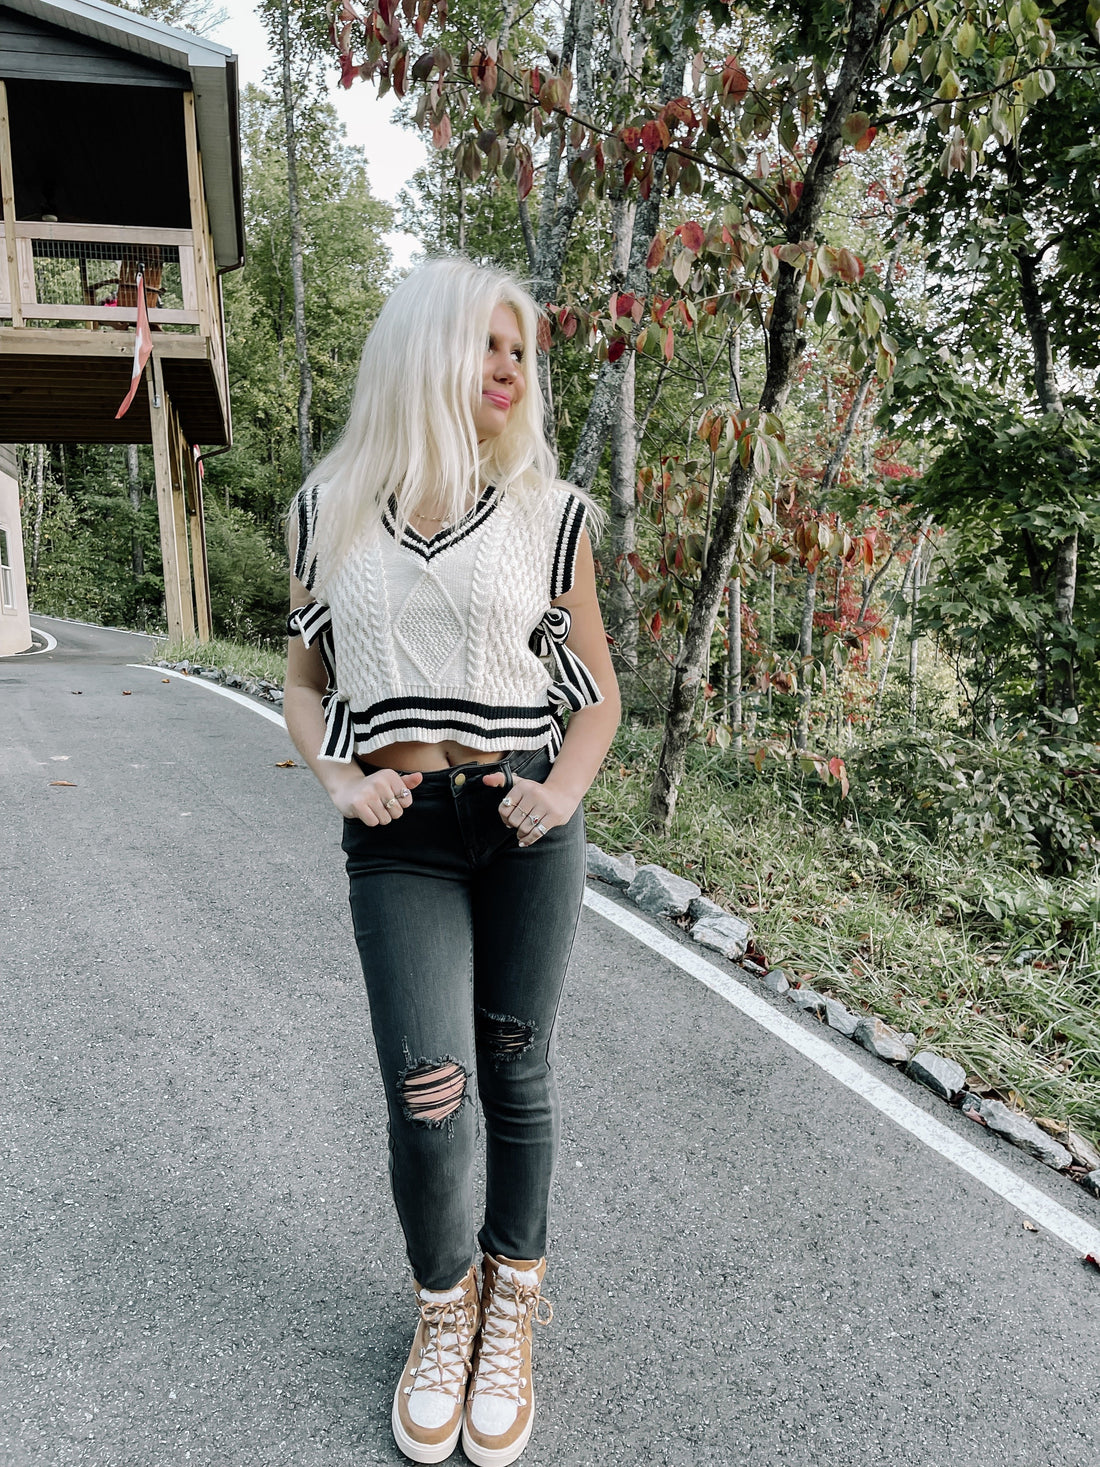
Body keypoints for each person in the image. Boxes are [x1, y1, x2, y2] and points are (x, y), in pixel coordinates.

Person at [283, 256, 620, 1466]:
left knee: (517, 1071)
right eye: (486, 344)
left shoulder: (551, 511)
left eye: (521, 353)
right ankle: (444, 1305)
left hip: (526, 822)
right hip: (401, 836)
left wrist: (561, 794)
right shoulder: (327, 510)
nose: (508, 370)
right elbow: (307, 685)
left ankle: (511, 1293)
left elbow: (593, 698)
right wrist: (340, 777)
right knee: (432, 1098)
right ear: (423, 351)